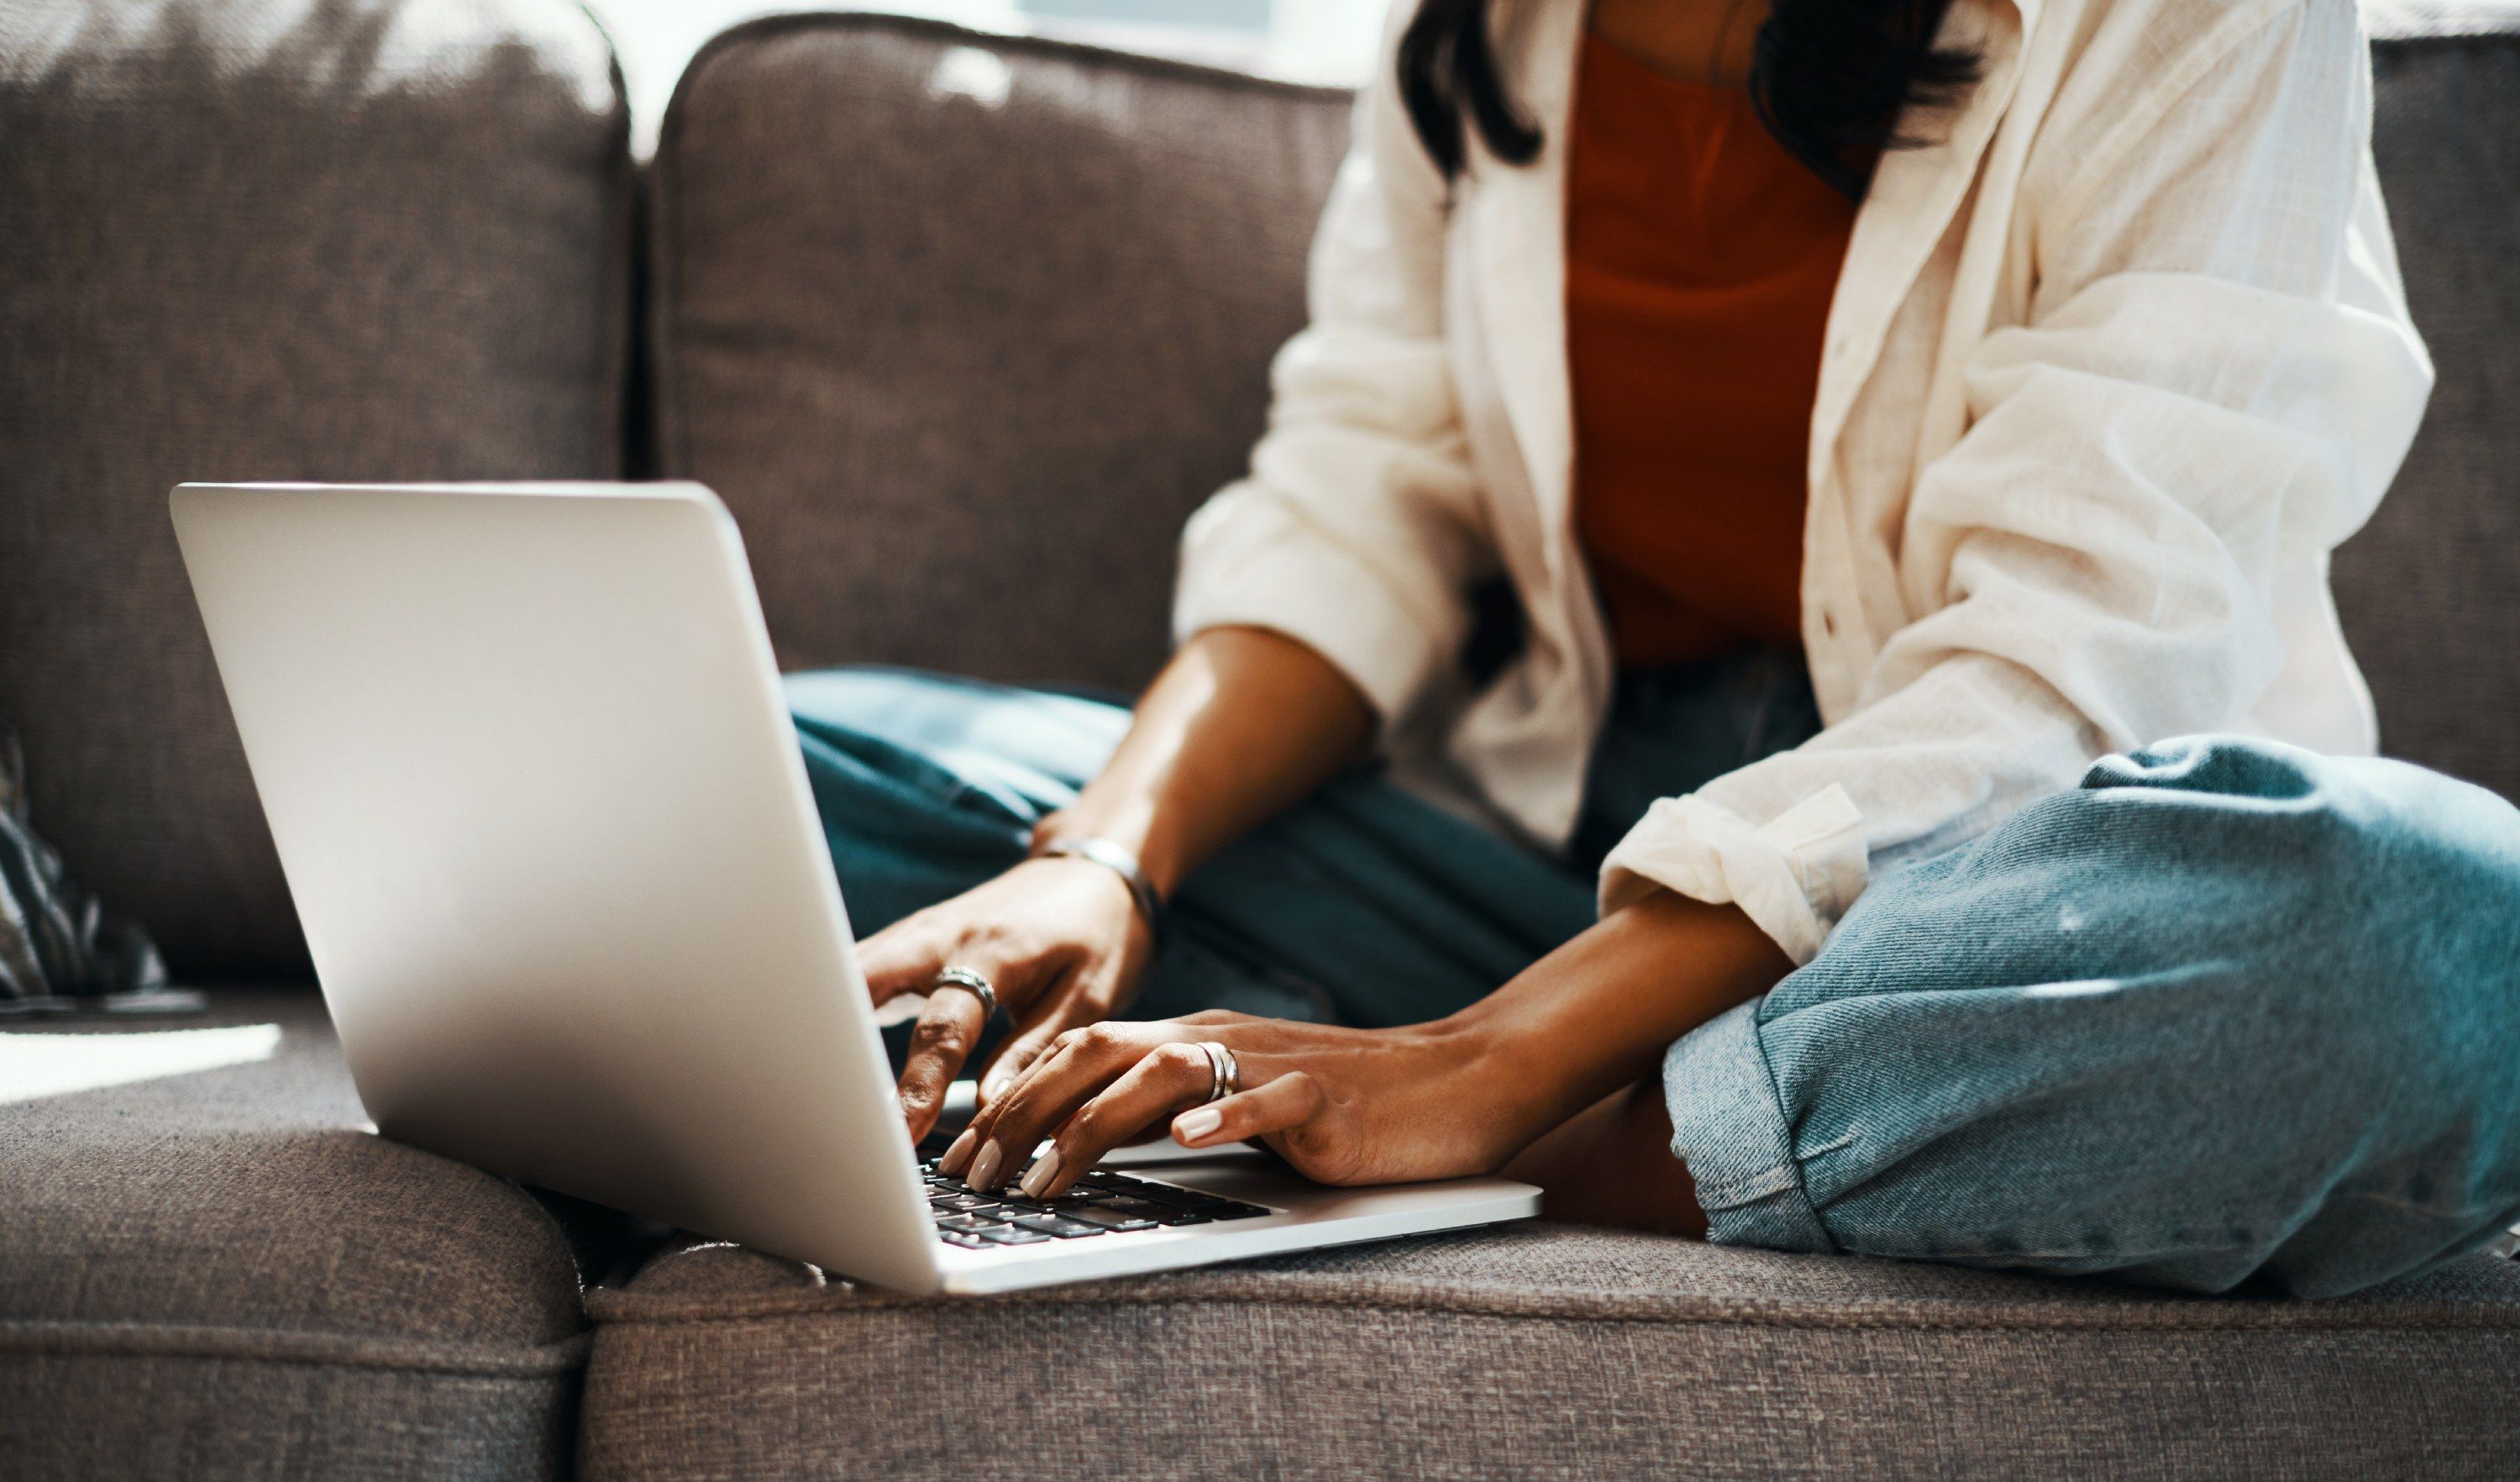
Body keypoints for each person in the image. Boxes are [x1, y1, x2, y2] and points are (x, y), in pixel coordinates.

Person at [786, 0, 2520, 1296]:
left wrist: (1491, 1060)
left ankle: (1498, 1132)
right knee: (792, 765)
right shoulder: (1476, 24)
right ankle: (1387, 1104)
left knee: (2431, 933)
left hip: (1976, 911)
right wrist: (1108, 858)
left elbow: (2074, 665)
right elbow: (1366, 492)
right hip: (1546, 879)